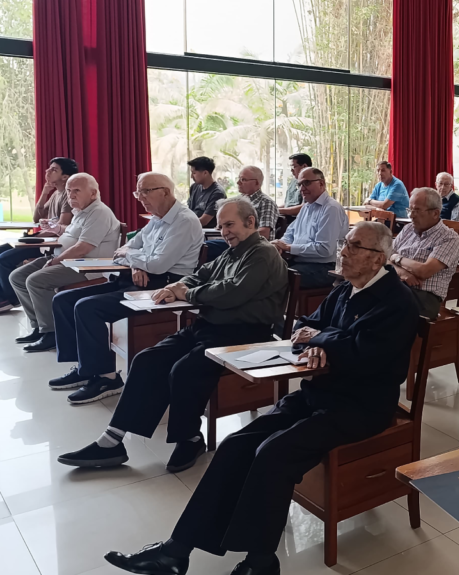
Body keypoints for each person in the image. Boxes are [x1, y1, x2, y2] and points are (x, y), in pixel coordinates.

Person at [99, 222, 418, 575]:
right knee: (236, 444)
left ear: (378, 259)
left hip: (361, 405)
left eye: (354, 246)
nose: (343, 250)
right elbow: (302, 326)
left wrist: (322, 340)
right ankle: (177, 551)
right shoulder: (346, 289)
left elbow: (364, 355)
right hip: (319, 393)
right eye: (345, 242)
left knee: (273, 453)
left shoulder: (397, 301)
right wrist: (322, 339)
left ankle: (261, 561)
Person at [57, 197, 289, 472]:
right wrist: (175, 287)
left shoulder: (262, 253)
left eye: (229, 225)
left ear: (250, 222)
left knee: (184, 370)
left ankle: (190, 438)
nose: (224, 232)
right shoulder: (233, 251)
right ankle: (112, 440)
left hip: (246, 335)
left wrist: (187, 294)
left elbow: (232, 292)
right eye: (221, 227)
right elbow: (200, 274)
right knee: (146, 360)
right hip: (211, 328)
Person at [49, 173, 204, 404]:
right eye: (138, 192)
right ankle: (85, 368)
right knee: (63, 300)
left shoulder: (184, 221)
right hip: (139, 278)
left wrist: (135, 259)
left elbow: (157, 265)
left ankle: (107, 378)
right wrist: (137, 264)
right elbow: (125, 248)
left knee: (87, 308)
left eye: (145, 191)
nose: (140, 198)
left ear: (165, 192)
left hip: (166, 287)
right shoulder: (157, 219)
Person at [11, 174, 121, 352]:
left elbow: (83, 247)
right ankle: (40, 326)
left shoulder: (99, 212)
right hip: (66, 260)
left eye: (76, 190)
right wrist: (55, 231)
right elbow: (70, 235)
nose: (71, 195)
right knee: (17, 277)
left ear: (93, 193)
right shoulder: (81, 211)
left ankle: (52, 332)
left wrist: (55, 261)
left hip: (87, 266)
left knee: (35, 281)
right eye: (69, 191)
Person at [0, 157, 77, 313]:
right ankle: (3, 296)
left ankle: (11, 299)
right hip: (44, 239)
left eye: (54, 169)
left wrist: (35, 236)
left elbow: (62, 226)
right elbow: (36, 218)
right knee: (1, 250)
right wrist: (45, 192)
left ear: (65, 177)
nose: (47, 171)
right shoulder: (55, 194)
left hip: (52, 245)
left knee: (3, 259)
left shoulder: (67, 197)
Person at [389, 188, 459, 319]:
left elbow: (424, 271)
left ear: (435, 213)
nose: (411, 215)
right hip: (398, 287)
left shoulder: (449, 237)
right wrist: (402, 272)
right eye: (410, 210)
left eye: (416, 210)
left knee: (380, 304)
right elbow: (385, 258)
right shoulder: (408, 229)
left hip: (424, 297)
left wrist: (397, 258)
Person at [275, 167, 346, 288]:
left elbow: (324, 249)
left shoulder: (331, 208)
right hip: (300, 262)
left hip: (324, 267)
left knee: (275, 277)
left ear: (321, 183)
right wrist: (279, 245)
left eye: (306, 183)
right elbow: (290, 234)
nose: (302, 188)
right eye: (299, 184)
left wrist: (289, 248)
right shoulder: (306, 207)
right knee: (263, 268)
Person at [236, 165, 279, 240]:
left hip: (255, 245)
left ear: (256, 183)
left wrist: (236, 235)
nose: (238, 182)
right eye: (238, 179)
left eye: (243, 179)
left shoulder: (266, 202)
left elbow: (264, 233)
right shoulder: (237, 200)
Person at [186, 156, 227, 227]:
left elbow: (204, 221)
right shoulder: (194, 187)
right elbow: (189, 211)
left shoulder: (217, 193)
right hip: (193, 227)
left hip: (208, 231)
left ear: (205, 173)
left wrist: (182, 224)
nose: (191, 176)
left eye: (194, 173)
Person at [279, 152, 312, 217]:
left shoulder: (311, 183)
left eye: (294, 166)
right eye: (291, 167)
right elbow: (287, 204)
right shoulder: (293, 181)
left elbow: (304, 207)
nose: (291, 170)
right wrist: (274, 208)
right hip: (286, 217)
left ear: (304, 166)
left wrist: (278, 210)